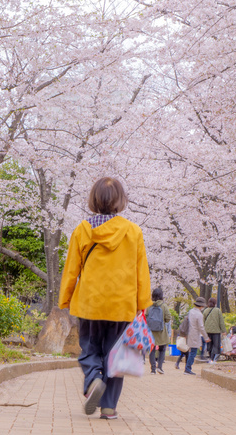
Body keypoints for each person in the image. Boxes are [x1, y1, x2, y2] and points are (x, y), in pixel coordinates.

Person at [58, 177, 151, 420]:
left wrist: (65, 299)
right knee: (116, 356)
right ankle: (109, 407)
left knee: (89, 349)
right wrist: (143, 305)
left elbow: (71, 269)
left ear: (93, 200)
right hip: (122, 305)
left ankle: (93, 380)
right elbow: (141, 272)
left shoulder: (82, 230)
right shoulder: (133, 231)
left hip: (90, 303)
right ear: (121, 200)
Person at [180, 297, 210, 375]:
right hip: (195, 334)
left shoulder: (191, 311)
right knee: (193, 352)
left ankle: (187, 368)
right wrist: (206, 337)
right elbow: (201, 327)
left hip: (189, 333)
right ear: (201, 306)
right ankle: (187, 368)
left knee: (190, 351)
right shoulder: (199, 314)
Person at [148, 287, 170, 374]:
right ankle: (160, 367)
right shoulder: (164, 306)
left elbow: (145, 316)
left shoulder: (149, 305)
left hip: (151, 331)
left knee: (152, 350)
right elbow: (168, 318)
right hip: (161, 331)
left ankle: (153, 369)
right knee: (162, 349)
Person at [202, 297, 225, 363]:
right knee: (216, 345)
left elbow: (202, 322)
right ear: (215, 303)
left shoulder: (205, 311)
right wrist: (223, 331)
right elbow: (221, 322)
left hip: (207, 331)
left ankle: (210, 358)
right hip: (216, 331)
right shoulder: (218, 310)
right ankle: (213, 359)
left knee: (209, 345)